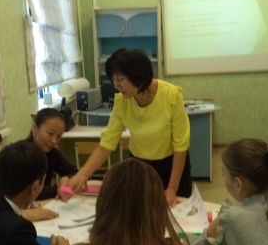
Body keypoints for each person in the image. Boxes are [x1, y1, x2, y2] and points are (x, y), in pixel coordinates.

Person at [68, 48, 191, 205]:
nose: (116, 85)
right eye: (113, 79)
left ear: (138, 77)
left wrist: (172, 188)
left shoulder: (171, 96)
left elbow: (181, 147)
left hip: (171, 166)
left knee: (176, 211)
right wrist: (82, 174)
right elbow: (107, 144)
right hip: (139, 166)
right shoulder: (122, 101)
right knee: (139, 209)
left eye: (120, 79)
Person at [27, 108, 77, 200]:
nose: (54, 141)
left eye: (58, 136)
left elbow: (74, 173)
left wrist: (65, 178)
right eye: (50, 134)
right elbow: (31, 191)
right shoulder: (22, 154)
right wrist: (58, 189)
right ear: (35, 128)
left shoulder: (51, 152)